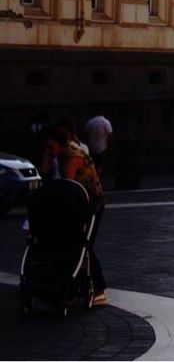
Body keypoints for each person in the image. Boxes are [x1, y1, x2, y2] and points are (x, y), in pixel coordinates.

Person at [39, 125, 107, 305]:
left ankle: (99, 288)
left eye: (50, 147)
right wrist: (47, 155)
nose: (48, 150)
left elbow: (67, 185)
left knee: (84, 243)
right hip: (73, 202)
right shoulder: (60, 154)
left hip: (89, 202)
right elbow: (45, 172)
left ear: (59, 144)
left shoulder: (72, 156)